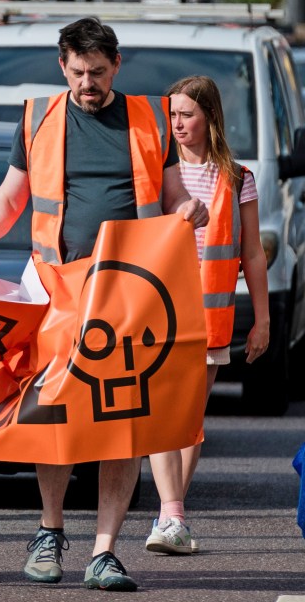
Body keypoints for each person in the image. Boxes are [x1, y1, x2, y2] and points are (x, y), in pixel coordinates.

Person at [0, 17, 209, 592]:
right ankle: (50, 530)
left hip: (129, 291)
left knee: (121, 420)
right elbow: (10, 199)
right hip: (56, 286)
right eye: (77, 72)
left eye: (97, 72)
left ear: (117, 65)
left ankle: (105, 551)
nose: (87, 83)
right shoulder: (37, 116)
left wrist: (190, 209)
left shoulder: (151, 118)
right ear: (61, 67)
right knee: (54, 412)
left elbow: (174, 196)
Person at [145, 75, 269, 555]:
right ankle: (171, 515)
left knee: (189, 419)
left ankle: (169, 515)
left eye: (187, 115)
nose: (176, 124)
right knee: (162, 413)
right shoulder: (158, 173)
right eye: (171, 115)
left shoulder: (238, 177)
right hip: (159, 311)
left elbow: (252, 253)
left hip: (210, 315)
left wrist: (263, 319)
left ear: (210, 116)